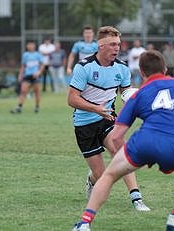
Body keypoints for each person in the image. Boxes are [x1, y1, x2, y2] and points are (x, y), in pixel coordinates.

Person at [71, 50, 174, 231]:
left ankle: (85, 223)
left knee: (109, 174)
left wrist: (124, 157)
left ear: (141, 72)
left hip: (142, 144)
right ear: (165, 69)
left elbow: (117, 136)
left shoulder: (139, 94)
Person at [68, 26, 150, 215]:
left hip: (108, 119)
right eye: (112, 44)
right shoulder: (84, 67)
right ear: (101, 46)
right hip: (84, 124)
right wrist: (96, 109)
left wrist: (136, 99)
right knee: (102, 176)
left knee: (121, 153)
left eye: (119, 45)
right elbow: (72, 99)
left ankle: (136, 198)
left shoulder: (122, 68)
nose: (117, 48)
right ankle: (92, 179)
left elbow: (126, 93)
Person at [10, 41, 45, 114]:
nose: (30, 46)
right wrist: (20, 75)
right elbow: (23, 66)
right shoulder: (25, 55)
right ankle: (19, 107)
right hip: (27, 75)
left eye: (32, 45)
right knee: (23, 91)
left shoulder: (37, 54)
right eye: (29, 45)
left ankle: (37, 107)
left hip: (35, 76)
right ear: (27, 46)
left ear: (34, 46)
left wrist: (38, 72)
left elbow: (42, 65)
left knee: (36, 92)